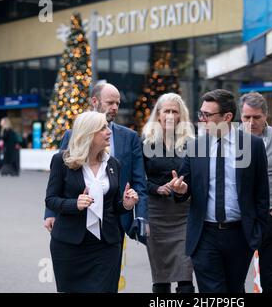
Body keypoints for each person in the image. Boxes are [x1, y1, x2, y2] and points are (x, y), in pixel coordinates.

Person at [170, 89, 270, 293]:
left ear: (227, 117)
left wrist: (256, 233)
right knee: (212, 291)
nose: (202, 119)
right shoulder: (194, 146)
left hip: (240, 235)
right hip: (205, 235)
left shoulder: (253, 145)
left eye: (208, 115)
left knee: (234, 289)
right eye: (201, 114)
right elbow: (181, 188)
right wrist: (180, 190)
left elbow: (262, 194)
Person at [45, 111, 139, 292]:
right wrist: (75, 204)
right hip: (69, 246)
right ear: (88, 132)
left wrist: (126, 204)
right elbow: (51, 200)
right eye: (103, 128)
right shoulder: (61, 161)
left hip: (106, 245)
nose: (109, 131)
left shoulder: (113, 164)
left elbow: (114, 205)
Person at [44, 83, 148, 242]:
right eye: (110, 103)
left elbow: (139, 181)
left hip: (116, 217)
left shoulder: (130, 137)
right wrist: (51, 214)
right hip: (75, 219)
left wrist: (141, 216)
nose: (115, 107)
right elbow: (57, 179)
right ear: (95, 101)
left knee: (112, 265)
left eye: (118, 103)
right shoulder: (73, 135)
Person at [142, 93, 195, 293]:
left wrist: (183, 187)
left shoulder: (191, 143)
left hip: (184, 214)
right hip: (155, 214)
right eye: (167, 111)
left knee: (185, 274)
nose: (171, 115)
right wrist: (156, 188)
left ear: (181, 116)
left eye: (175, 111)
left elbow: (197, 179)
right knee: (161, 275)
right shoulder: (146, 142)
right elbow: (138, 179)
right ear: (158, 115)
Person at [239, 92, 272, 293]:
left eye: (256, 117)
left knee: (271, 282)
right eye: (246, 117)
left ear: (265, 115)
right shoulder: (230, 141)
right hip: (239, 220)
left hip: (270, 219)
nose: (251, 122)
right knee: (235, 281)